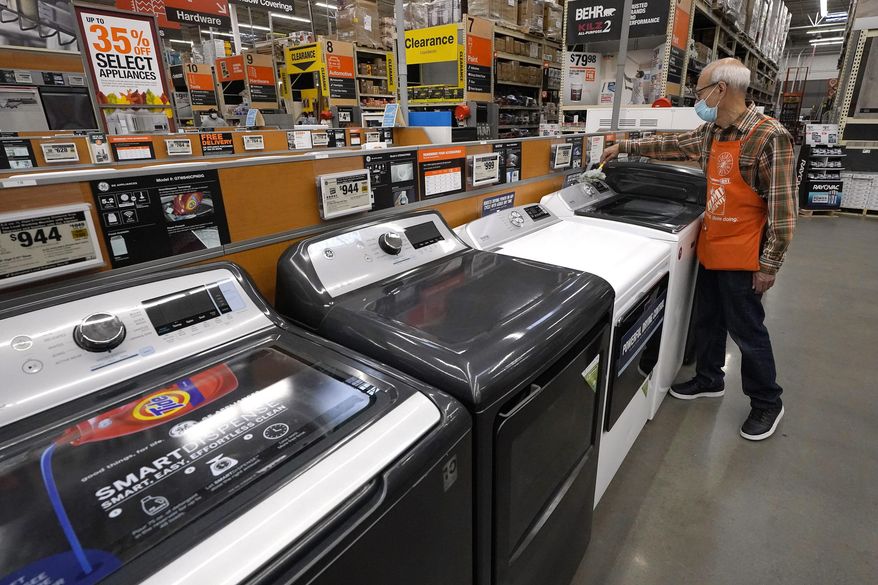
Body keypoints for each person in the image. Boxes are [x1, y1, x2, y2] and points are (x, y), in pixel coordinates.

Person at [601, 58, 797, 441]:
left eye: (699, 91)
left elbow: (784, 212)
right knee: (708, 320)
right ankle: (709, 378)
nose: (697, 99)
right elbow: (672, 144)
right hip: (713, 245)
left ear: (720, 90)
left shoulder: (769, 136)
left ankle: (767, 402)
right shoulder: (713, 132)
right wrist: (624, 145)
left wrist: (769, 265)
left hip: (745, 255)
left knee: (747, 332)